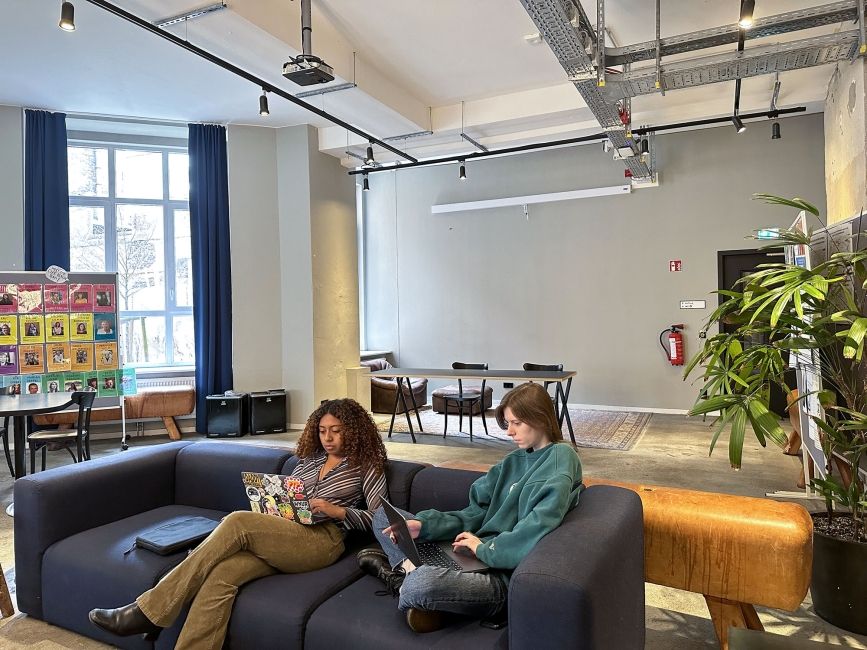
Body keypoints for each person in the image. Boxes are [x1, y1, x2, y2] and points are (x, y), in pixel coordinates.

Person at [89, 398, 389, 648]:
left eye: (336, 431)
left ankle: (149, 611)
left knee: (237, 522)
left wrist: (336, 511)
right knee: (222, 574)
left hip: (323, 540)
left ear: (354, 431)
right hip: (285, 534)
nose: (328, 437)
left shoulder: (368, 464)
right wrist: (273, 503)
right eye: (323, 430)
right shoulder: (308, 460)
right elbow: (288, 498)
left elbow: (381, 518)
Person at [358, 382, 582, 633]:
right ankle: (418, 584)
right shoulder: (512, 461)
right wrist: (425, 526)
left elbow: (537, 526)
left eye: (516, 423)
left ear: (540, 419)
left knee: (421, 584)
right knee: (383, 518)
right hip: (473, 554)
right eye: (508, 423)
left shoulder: (561, 457)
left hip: (497, 575)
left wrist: (483, 548)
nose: (509, 432)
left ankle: (404, 578)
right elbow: (474, 514)